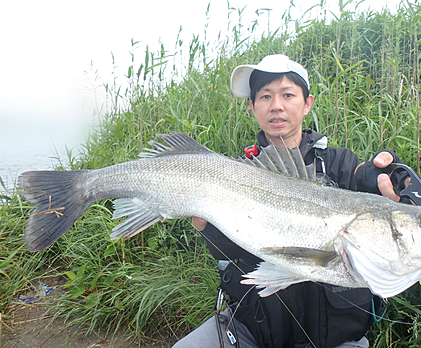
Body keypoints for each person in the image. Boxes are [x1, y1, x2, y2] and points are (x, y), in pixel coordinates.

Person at [173, 54, 408, 348]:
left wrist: (392, 176)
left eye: (287, 95)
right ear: (253, 106)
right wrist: (206, 228)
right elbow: (234, 256)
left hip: (335, 341)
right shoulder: (232, 174)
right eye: (265, 96)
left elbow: (366, 179)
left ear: (307, 103)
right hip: (250, 332)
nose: (276, 106)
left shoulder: (339, 163)